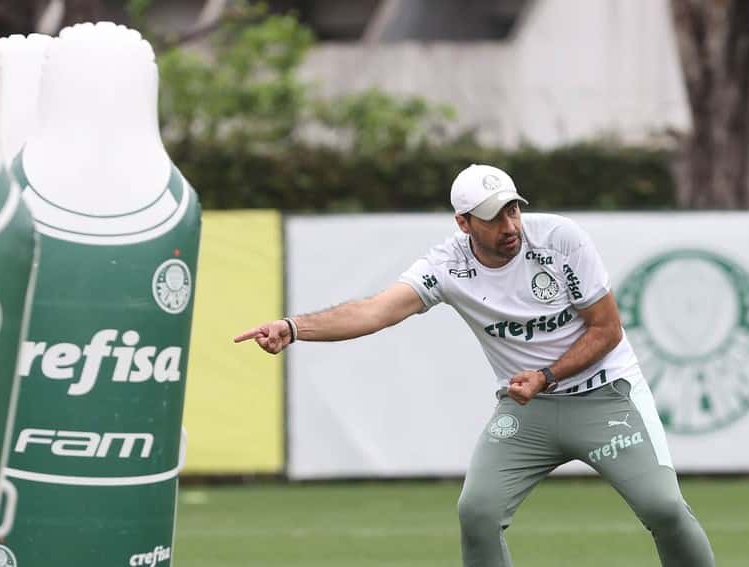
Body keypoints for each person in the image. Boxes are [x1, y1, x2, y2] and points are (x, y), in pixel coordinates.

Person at [234, 164, 716, 567]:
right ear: (464, 223)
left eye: (513, 209)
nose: (509, 226)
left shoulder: (561, 239)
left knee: (666, 508)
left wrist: (547, 375)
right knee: (477, 512)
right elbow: (376, 310)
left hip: (606, 396)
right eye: (493, 217)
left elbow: (607, 330)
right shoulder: (447, 265)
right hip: (530, 412)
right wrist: (293, 327)